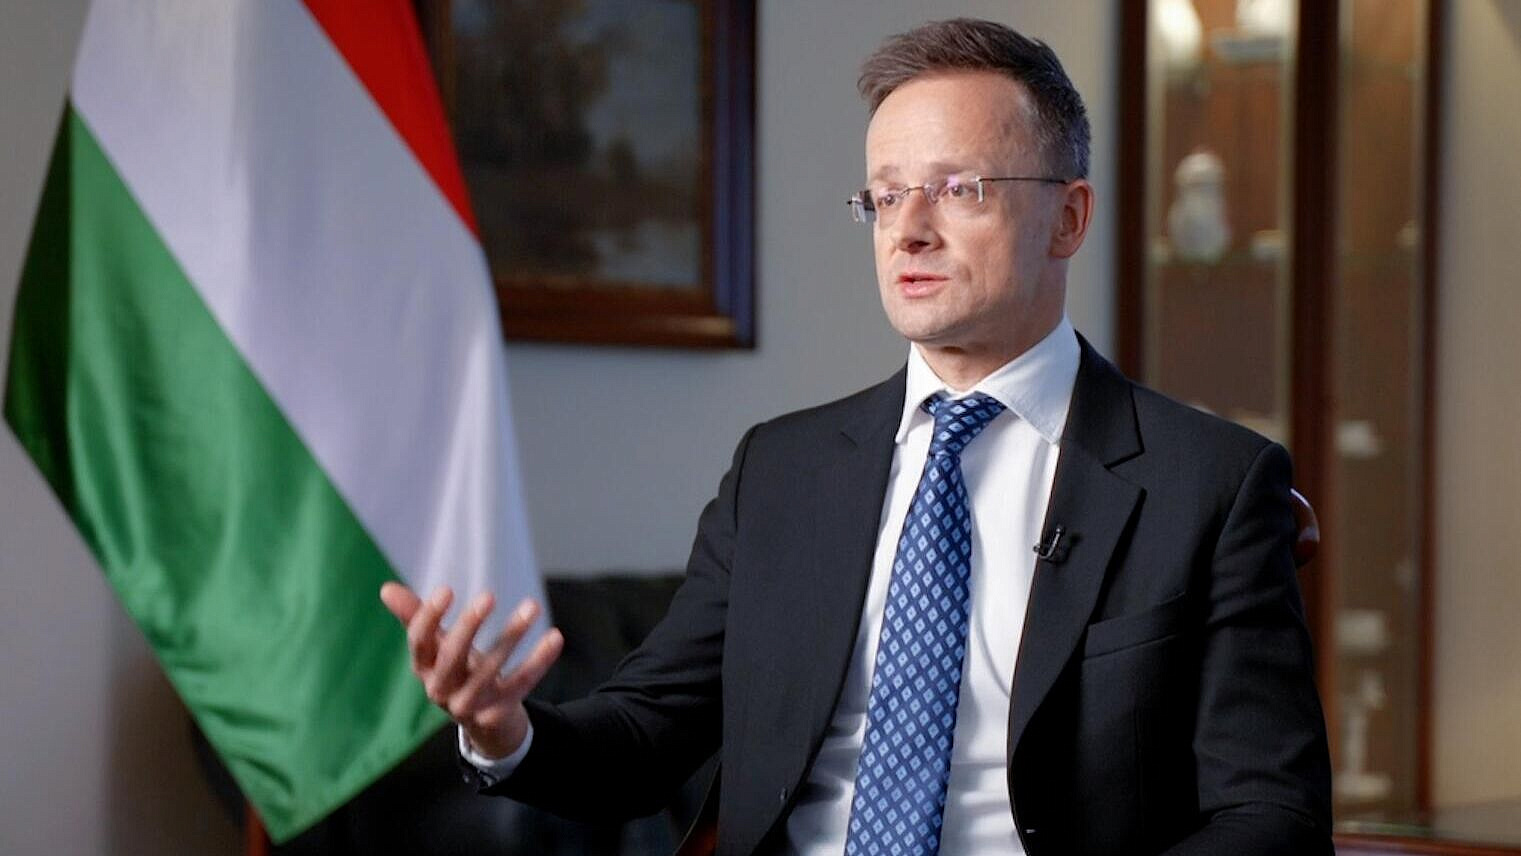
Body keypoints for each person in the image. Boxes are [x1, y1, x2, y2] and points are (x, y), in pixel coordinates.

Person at [380, 18, 1333, 856]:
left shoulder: (1207, 484)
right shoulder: (781, 471)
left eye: (957, 189)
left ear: (1067, 217)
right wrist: (505, 731)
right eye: (884, 195)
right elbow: (645, 735)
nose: (907, 231)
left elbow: (1269, 815)